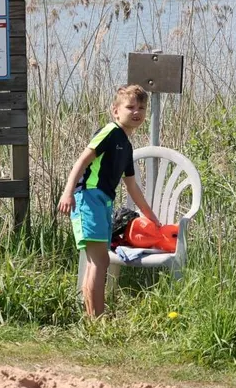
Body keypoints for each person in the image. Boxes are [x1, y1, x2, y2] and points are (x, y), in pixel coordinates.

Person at [58, 84, 160, 317]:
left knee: (97, 262)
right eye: (130, 107)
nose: (137, 112)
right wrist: (67, 192)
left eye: (142, 108)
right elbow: (81, 161)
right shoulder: (110, 131)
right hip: (88, 197)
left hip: (104, 202)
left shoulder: (126, 145)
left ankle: (92, 318)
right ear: (115, 111)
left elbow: (132, 186)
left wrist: (149, 215)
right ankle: (98, 319)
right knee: (100, 261)